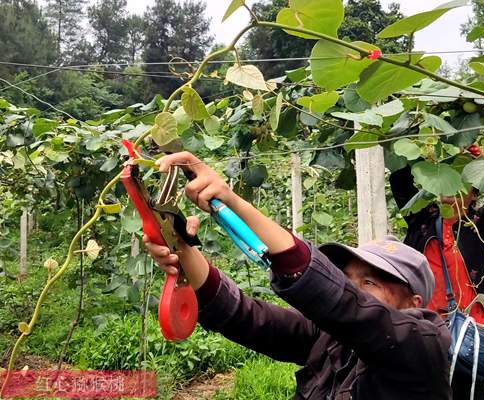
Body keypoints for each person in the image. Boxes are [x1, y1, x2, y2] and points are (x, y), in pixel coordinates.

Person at [143, 152, 452, 400]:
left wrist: (232, 201)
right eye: (348, 277)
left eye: (370, 282)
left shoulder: (423, 347)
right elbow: (242, 315)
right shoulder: (330, 340)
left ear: (413, 302)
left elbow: (347, 306)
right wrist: (179, 245)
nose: (350, 288)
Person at [389, 164, 484, 400]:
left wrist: (483, 162)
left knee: (467, 392)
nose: (451, 193)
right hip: (426, 328)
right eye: (447, 183)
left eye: (462, 186)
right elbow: (400, 180)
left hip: (471, 331)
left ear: (474, 194)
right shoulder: (422, 219)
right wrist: (426, 152)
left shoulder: (482, 224)